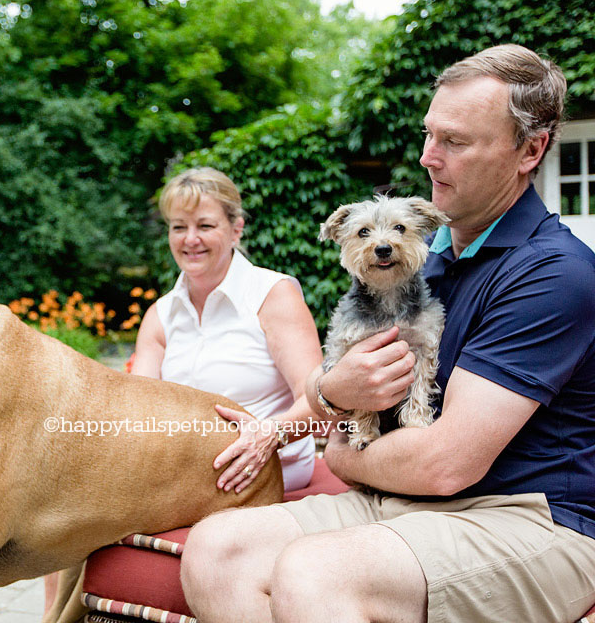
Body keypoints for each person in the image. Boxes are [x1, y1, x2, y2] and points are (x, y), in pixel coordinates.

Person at [180, 44, 595, 623]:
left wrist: (346, 457)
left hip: (526, 515)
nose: (428, 157)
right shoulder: (419, 263)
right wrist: (311, 412)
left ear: (531, 150)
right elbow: (345, 391)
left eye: (455, 141)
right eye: (430, 135)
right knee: (216, 550)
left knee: (315, 573)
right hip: (409, 503)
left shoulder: (554, 274)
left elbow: (445, 463)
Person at [133, 167, 324, 493]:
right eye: (179, 227)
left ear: (236, 230)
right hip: (185, 472)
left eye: (205, 226)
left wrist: (267, 437)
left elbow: (318, 400)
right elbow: (136, 409)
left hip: (270, 469)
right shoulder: (160, 315)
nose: (190, 239)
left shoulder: (273, 295)